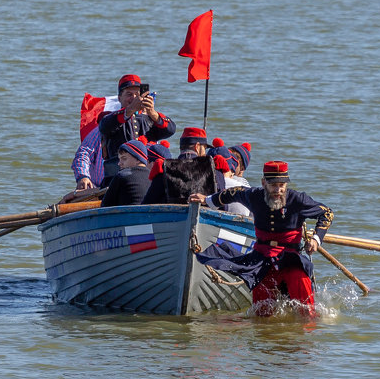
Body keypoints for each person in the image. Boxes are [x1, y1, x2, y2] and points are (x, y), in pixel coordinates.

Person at [191, 161, 333, 315]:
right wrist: (207, 200)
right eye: (273, 185)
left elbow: (327, 213)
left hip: (290, 259)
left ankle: (308, 329)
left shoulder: (298, 199)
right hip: (261, 259)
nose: (278, 190)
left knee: (304, 298)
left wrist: (316, 239)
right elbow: (231, 193)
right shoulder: (254, 196)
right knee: (261, 312)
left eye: (281, 185)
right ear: (263, 183)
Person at [97, 75, 176, 182]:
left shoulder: (151, 118)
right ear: (120, 98)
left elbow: (170, 129)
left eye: (137, 95)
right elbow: (105, 126)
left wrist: (152, 112)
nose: (134, 98)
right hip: (118, 175)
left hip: (147, 175)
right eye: (129, 94)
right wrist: (130, 110)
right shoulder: (110, 117)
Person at [101, 139, 154, 207]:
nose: (119, 163)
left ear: (138, 159)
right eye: (119, 159)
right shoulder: (153, 177)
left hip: (128, 216)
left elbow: (105, 205)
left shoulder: (122, 175)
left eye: (124, 158)